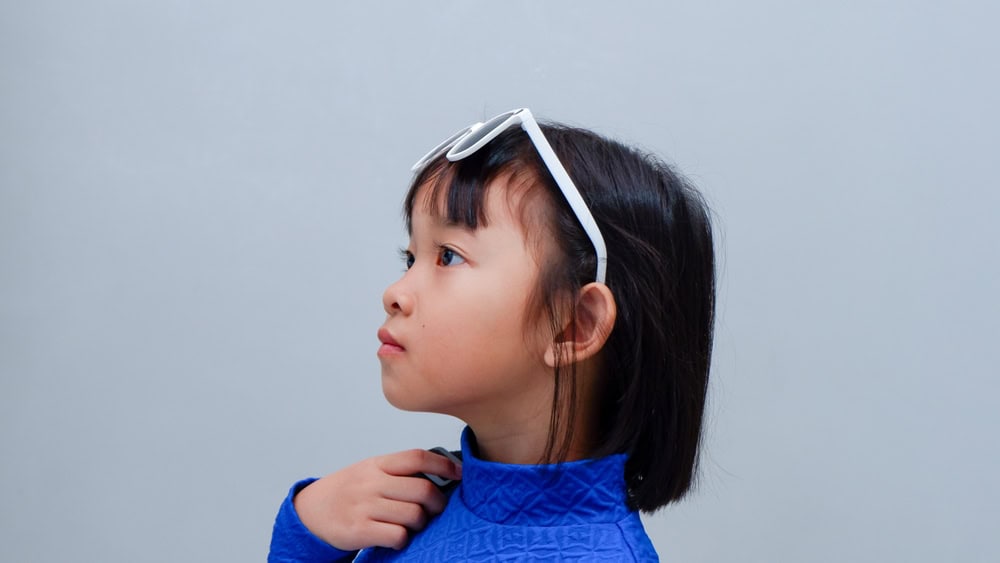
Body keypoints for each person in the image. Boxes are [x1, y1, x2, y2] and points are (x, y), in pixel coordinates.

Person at [268, 108, 716, 562]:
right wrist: (306, 534)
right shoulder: (419, 506)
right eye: (410, 259)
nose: (394, 294)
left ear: (574, 325)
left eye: (448, 256)